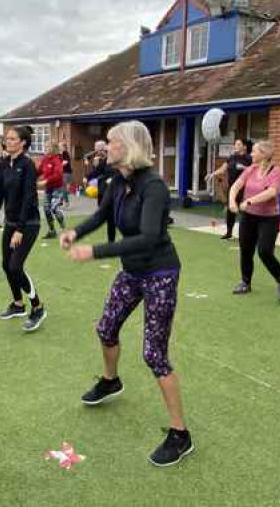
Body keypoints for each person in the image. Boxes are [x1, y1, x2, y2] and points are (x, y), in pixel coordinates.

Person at [62, 121, 192, 468]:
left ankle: (180, 434)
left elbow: (149, 237)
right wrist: (76, 231)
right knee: (106, 328)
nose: (105, 146)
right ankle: (110, 380)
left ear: (131, 147)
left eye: (112, 142)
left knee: (154, 355)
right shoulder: (119, 180)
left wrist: (95, 252)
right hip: (132, 271)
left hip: (160, 273)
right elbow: (104, 213)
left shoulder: (154, 186)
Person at [0, 126, 47, 332]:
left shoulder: (28, 165)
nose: (8, 141)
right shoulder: (3, 163)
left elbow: (28, 198)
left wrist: (20, 229)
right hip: (10, 222)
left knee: (15, 266)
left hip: (28, 223)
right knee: (6, 265)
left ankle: (38, 307)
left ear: (23, 142)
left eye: (13, 138)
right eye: (7, 138)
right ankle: (18, 304)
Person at [228, 140, 280, 303]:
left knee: (264, 251)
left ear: (263, 154)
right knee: (246, 250)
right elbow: (236, 186)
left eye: (254, 151)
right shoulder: (250, 169)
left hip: (269, 218)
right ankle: (245, 282)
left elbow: (271, 192)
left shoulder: (275, 171)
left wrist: (249, 201)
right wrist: (231, 201)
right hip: (248, 217)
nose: (251, 154)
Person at [206, 138, 252, 240]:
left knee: (244, 212)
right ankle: (229, 232)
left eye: (238, 144)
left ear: (244, 147)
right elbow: (223, 168)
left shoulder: (249, 158)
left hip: (244, 189)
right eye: (235, 144)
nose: (235, 146)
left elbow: (255, 171)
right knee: (230, 211)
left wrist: (244, 168)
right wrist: (212, 174)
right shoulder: (232, 157)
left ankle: (247, 235)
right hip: (232, 188)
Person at [86, 140, 116, 243]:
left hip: (113, 191)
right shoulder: (103, 160)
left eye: (98, 149)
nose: (96, 151)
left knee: (111, 216)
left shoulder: (115, 159)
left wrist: (113, 178)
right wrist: (87, 177)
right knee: (104, 213)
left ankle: (111, 241)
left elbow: (120, 171)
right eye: (96, 149)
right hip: (102, 190)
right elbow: (97, 171)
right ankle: (111, 240)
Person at [38, 140, 66, 239]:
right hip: (48, 189)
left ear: (53, 148)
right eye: (45, 146)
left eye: (47, 147)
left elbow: (58, 174)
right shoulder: (45, 159)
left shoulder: (57, 159)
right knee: (46, 209)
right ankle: (52, 231)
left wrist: (46, 181)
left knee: (55, 209)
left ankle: (64, 229)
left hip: (57, 188)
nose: (45, 148)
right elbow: (39, 171)